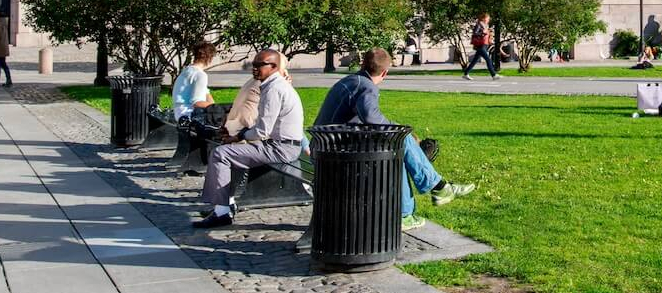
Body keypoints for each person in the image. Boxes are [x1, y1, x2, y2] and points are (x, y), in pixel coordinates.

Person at [314, 49, 475, 231]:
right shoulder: (366, 86)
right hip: (336, 155)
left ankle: (418, 204)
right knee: (400, 140)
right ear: (385, 73)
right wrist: (400, 130)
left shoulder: (352, 81)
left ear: (362, 64)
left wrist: (397, 130)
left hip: (327, 148)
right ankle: (435, 189)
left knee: (398, 146)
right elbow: (371, 118)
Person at [195, 50, 304, 229]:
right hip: (279, 145)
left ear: (274, 67)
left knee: (220, 154)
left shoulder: (274, 89)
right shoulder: (272, 85)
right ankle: (225, 202)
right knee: (233, 150)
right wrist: (239, 137)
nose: (254, 69)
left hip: (281, 149)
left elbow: (262, 130)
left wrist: (239, 136)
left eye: (260, 65)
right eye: (253, 65)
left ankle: (221, 212)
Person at [172, 42, 217, 120]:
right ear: (209, 58)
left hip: (179, 112)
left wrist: (215, 107)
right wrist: (218, 109)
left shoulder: (188, 70)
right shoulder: (200, 75)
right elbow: (197, 102)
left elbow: (206, 93)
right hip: (189, 113)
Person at [461, 12, 498, 80]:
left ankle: (466, 73)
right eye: (487, 18)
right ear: (483, 18)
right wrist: (482, 33)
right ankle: (494, 75)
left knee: (474, 60)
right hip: (480, 45)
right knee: (488, 60)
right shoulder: (479, 25)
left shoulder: (485, 25)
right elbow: (475, 33)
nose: (488, 20)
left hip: (485, 44)